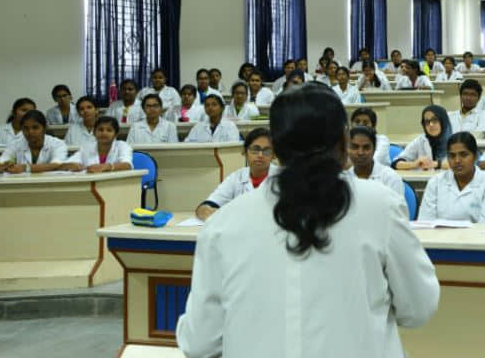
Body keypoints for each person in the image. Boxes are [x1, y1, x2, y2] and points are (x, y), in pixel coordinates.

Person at [176, 85, 439, 358]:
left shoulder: (224, 223)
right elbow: (420, 307)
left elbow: (199, 344)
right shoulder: (381, 207)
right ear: (343, 142)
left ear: (275, 149)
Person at [417, 132, 485, 222]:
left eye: (463, 155)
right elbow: (425, 223)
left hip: (476, 236)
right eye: (452, 156)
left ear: (475, 157)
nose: (457, 161)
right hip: (439, 236)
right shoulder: (435, 182)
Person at [191, 128, 277, 220]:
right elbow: (205, 207)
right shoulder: (236, 178)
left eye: (266, 151)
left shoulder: (284, 178)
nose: (260, 155)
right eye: (255, 150)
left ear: (274, 155)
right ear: (244, 152)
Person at [0, 110, 67, 174]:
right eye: (26, 128)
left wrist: (25, 168)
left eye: (35, 127)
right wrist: (4, 166)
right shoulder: (15, 144)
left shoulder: (58, 144)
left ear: (44, 128)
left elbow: (57, 164)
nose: (30, 132)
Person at [62, 116, 134, 173]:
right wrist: (70, 165)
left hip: (116, 185)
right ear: (94, 132)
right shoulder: (86, 148)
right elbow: (67, 164)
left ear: (116, 134)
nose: (104, 133)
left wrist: (107, 167)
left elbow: (127, 165)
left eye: (109, 130)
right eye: (100, 129)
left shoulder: (123, 146)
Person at [346, 126, 404, 196]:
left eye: (366, 147)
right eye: (355, 147)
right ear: (348, 149)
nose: (360, 152)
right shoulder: (344, 178)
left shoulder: (390, 178)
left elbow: (397, 206)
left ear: (374, 149)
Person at [394, 105, 451, 171]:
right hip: (424, 180)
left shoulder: (455, 140)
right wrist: (414, 164)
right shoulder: (420, 140)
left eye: (435, 120)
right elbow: (396, 163)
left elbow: (462, 164)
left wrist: (436, 164)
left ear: (443, 121)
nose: (431, 124)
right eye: (427, 121)